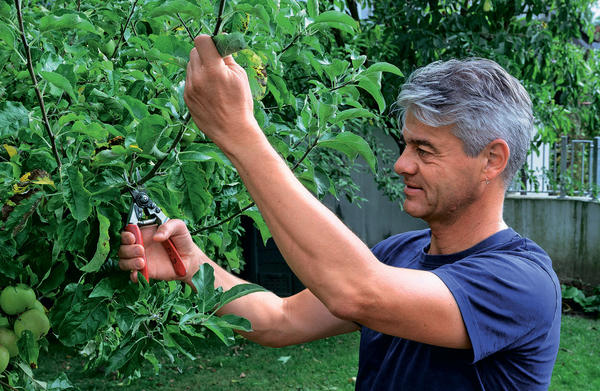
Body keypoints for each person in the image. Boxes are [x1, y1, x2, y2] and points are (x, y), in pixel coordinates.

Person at [119, 35, 561, 390]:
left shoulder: (522, 282)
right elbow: (280, 319)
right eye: (406, 144)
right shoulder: (395, 255)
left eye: (424, 149)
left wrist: (239, 133)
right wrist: (193, 267)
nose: (401, 164)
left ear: (492, 160)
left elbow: (359, 291)